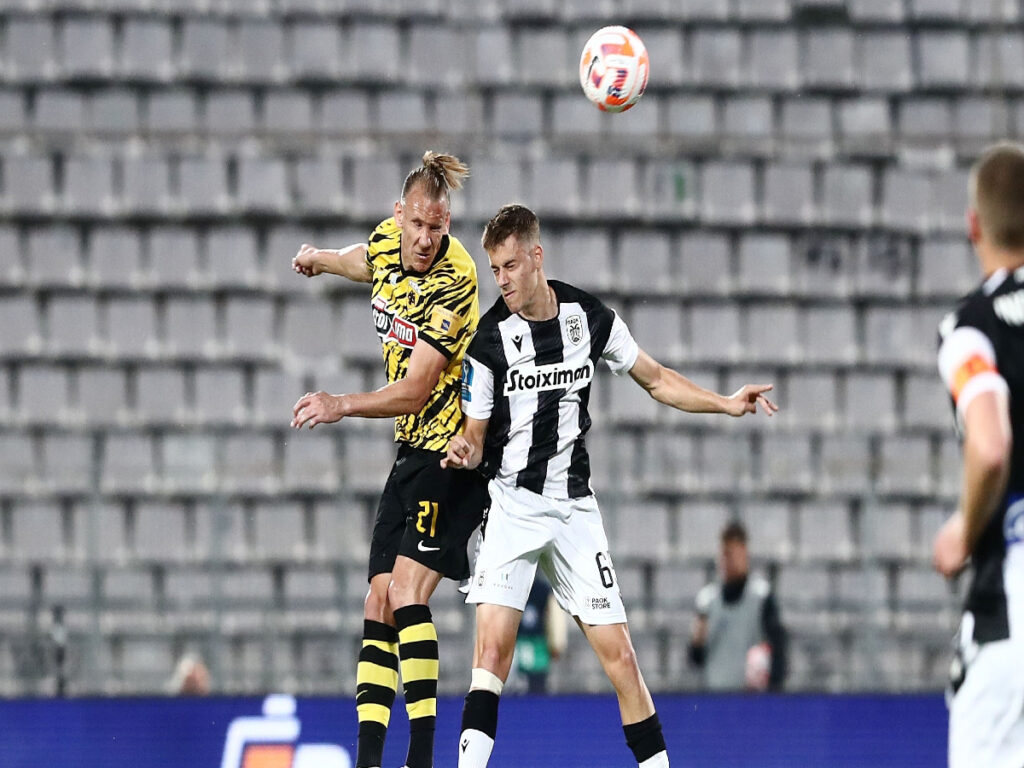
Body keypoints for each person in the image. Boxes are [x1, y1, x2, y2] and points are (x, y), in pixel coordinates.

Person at [441, 204, 777, 768]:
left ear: (537, 256)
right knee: (491, 656)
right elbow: (474, 438)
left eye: (511, 266)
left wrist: (724, 403)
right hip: (513, 506)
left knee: (621, 660)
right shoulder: (489, 342)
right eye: (494, 269)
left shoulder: (589, 317)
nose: (502, 280)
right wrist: (463, 450)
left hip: (573, 510)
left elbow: (657, 379)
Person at [290, 151, 489, 768]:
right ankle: (370, 761)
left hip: (455, 453)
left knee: (405, 592)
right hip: (411, 451)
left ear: (448, 223)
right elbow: (366, 260)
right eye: (418, 225)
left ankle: (421, 758)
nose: (426, 239)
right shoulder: (387, 240)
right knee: (377, 601)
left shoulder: (455, 277)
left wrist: (340, 404)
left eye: (438, 227)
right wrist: (322, 258)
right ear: (399, 215)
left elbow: (417, 390)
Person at [932, 142, 1024, 768]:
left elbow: (990, 446)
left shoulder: (972, 326)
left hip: (1011, 606)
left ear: (974, 226)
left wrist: (964, 529)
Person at [687, 522, 788, 692]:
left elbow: (778, 651)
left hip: (751, 698)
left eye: (735, 553)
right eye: (725, 554)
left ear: (745, 553)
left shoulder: (761, 597)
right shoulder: (707, 601)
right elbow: (696, 658)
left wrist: (772, 692)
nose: (730, 561)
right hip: (715, 694)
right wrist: (698, 641)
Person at [510, 575, 567, 694]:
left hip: (536, 645)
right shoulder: (543, 589)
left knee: (531, 688)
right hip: (524, 645)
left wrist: (557, 643)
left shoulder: (542, 589)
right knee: (532, 688)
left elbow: (554, 618)